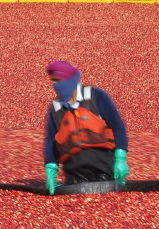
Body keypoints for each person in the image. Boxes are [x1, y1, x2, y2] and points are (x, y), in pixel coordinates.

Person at [43, 61, 129, 194]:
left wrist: (120, 158)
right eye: (53, 81)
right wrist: (51, 168)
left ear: (69, 80)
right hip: (74, 174)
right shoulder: (55, 108)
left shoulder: (97, 96)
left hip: (104, 169)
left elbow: (118, 127)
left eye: (58, 81)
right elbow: (50, 142)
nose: (55, 85)